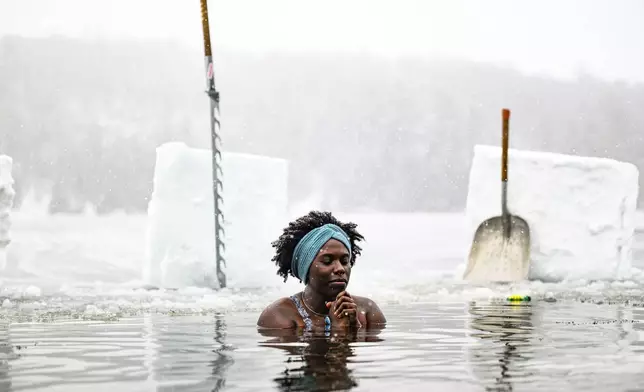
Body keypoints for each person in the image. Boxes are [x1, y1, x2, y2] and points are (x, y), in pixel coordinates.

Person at [257, 211, 386, 333]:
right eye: (327, 261)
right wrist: (339, 331)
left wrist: (354, 327)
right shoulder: (279, 315)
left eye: (345, 261)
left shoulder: (367, 311)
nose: (340, 268)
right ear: (306, 269)